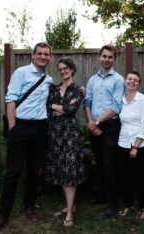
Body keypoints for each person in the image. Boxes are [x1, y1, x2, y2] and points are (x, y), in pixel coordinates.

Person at [0, 42, 53, 233]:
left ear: (49, 57)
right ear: (33, 55)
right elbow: (11, 99)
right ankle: (3, 214)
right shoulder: (21, 73)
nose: (43, 56)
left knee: (34, 171)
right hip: (20, 127)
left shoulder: (48, 79)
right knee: (13, 172)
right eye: (39, 53)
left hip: (40, 128)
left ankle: (29, 206)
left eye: (46, 54)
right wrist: (12, 127)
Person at [83, 44, 125, 218]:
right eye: (104, 56)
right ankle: (101, 194)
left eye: (110, 57)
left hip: (110, 126)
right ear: (99, 57)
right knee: (99, 162)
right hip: (93, 125)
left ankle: (112, 204)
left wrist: (97, 122)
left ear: (114, 59)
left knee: (109, 164)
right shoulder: (92, 80)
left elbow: (116, 107)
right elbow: (87, 102)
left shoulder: (118, 80)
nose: (107, 59)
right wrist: (90, 122)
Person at [45, 57, 85, 227]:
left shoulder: (78, 90)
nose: (63, 71)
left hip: (70, 134)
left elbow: (71, 109)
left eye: (65, 68)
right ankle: (71, 205)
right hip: (55, 133)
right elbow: (47, 108)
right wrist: (58, 108)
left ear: (72, 70)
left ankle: (69, 213)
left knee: (70, 169)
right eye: (60, 69)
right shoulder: (53, 88)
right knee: (61, 168)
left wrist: (56, 106)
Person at [116, 71, 144, 220]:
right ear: (125, 81)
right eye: (129, 79)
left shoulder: (143, 99)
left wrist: (135, 147)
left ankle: (143, 207)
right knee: (124, 176)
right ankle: (128, 204)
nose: (132, 81)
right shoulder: (120, 100)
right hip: (123, 142)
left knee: (141, 177)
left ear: (139, 83)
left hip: (141, 144)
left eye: (135, 80)